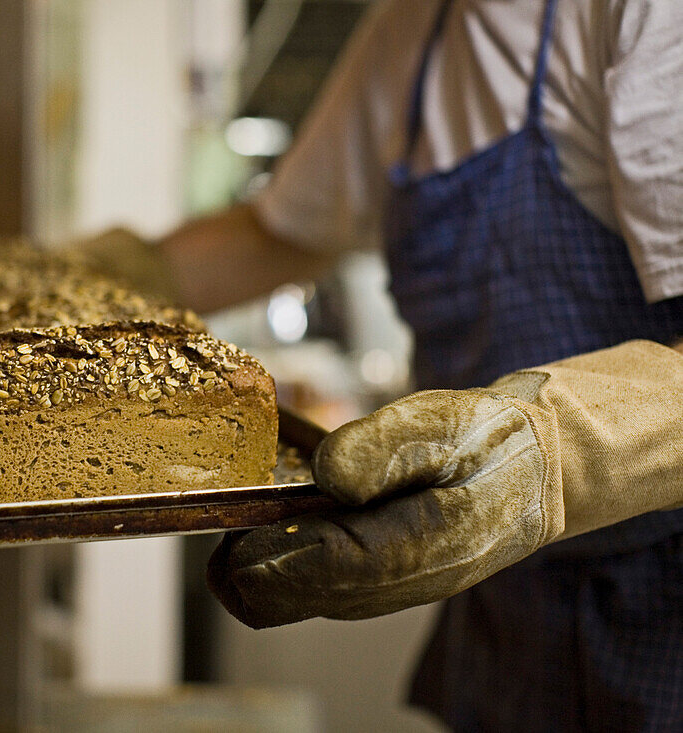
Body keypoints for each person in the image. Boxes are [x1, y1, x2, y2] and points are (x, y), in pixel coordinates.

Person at [80, 0, 683, 729]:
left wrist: (554, 452)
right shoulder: (416, 28)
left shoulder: (645, 20)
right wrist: (91, 281)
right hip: (513, 619)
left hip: (661, 620)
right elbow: (284, 230)